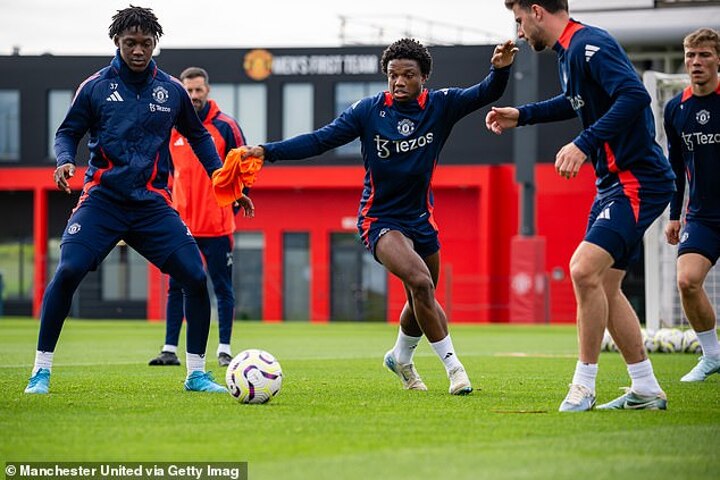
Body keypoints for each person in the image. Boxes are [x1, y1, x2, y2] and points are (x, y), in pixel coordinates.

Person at [240, 37, 518, 395]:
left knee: (421, 296)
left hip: (421, 219)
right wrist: (268, 151)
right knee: (421, 283)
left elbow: (486, 92)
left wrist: (500, 69)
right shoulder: (368, 111)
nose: (399, 81)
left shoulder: (441, 105)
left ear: (424, 77)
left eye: (408, 75)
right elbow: (320, 140)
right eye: (392, 75)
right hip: (380, 220)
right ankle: (455, 370)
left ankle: (400, 357)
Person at [23, 6, 253, 395]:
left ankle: (196, 374)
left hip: (151, 204)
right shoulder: (95, 87)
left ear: (154, 44)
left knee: (195, 277)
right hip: (103, 200)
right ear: (117, 41)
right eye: (130, 43)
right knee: (68, 270)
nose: (138, 50)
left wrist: (225, 180)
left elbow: (198, 136)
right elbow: (67, 132)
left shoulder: (172, 91)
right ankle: (40, 371)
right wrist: (64, 161)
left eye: (146, 43)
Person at [486, 0, 675, 411]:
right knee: (603, 285)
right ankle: (645, 387)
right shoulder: (568, 53)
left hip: (637, 181)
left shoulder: (590, 45)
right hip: (613, 184)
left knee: (582, 270)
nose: (519, 32)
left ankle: (584, 386)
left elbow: (634, 96)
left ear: (537, 11)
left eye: (519, 20)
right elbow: (572, 102)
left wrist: (583, 143)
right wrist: (522, 115)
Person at [148, 67, 247, 368]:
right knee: (176, 287)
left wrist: (227, 206)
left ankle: (224, 349)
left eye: (198, 90)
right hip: (182, 227)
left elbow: (243, 168)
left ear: (208, 90)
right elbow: (163, 172)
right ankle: (169, 350)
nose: (193, 96)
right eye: (188, 91)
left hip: (217, 227)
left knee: (222, 288)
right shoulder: (172, 128)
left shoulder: (226, 127)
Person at [663, 27, 720, 382]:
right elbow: (674, 164)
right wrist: (674, 214)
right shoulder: (675, 109)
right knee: (687, 281)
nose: (696, 62)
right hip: (701, 216)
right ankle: (712, 355)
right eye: (690, 55)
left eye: (704, 55)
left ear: (718, 59)